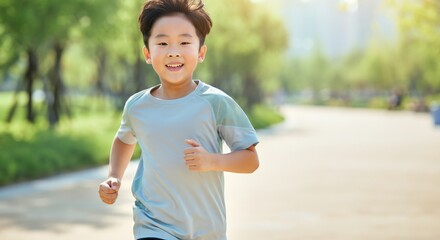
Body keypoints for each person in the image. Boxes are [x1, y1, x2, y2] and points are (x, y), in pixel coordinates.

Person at [98, 0, 260, 239]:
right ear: (147, 53)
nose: (173, 51)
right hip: (153, 224)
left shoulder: (216, 103)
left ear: (201, 52)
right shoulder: (137, 106)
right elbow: (124, 140)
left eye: (185, 42)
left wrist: (212, 161)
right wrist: (114, 176)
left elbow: (250, 160)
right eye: (162, 43)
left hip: (206, 230)